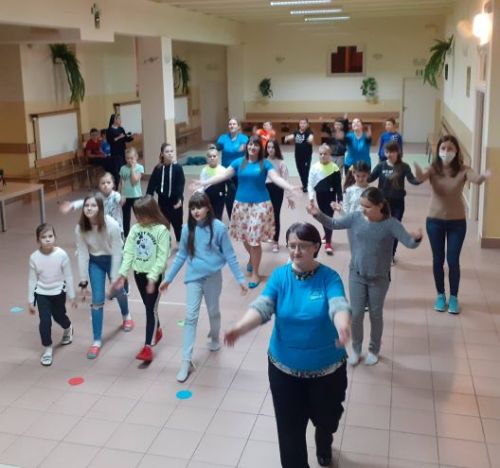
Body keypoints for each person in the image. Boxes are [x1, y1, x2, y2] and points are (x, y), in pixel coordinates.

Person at [224, 222, 351, 468]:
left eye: (302, 246)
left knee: (328, 419)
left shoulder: (329, 277)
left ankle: (324, 438)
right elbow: (263, 307)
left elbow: (338, 305)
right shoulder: (280, 277)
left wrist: (343, 325)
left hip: (328, 372)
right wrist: (240, 328)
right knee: (290, 433)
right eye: (292, 245)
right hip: (284, 371)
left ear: (316, 247)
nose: (296, 251)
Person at [308, 187, 422, 366]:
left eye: (367, 206)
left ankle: (374, 349)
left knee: (375, 315)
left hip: (379, 279)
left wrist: (417, 238)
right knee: (357, 314)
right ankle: (356, 349)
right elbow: (334, 223)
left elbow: (409, 243)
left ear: (380, 206)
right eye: (361, 205)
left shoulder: (391, 224)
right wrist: (318, 214)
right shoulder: (355, 218)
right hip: (357, 275)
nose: (363, 209)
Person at [160, 192, 247, 381]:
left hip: (213, 278)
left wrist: (240, 279)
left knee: (213, 311)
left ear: (208, 207)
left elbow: (230, 255)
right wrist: (168, 278)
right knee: (190, 317)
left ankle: (215, 336)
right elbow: (181, 255)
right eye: (192, 208)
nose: (196, 211)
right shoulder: (187, 229)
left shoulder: (219, 228)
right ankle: (186, 361)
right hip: (193, 278)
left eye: (199, 207)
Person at [191, 136, 299, 288]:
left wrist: (289, 186)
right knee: (245, 238)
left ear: (260, 148)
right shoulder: (238, 162)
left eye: (256, 145)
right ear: (247, 146)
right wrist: (204, 182)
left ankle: (255, 272)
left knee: (254, 240)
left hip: (260, 205)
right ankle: (252, 258)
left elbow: (275, 178)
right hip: (241, 205)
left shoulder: (265, 163)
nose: (252, 147)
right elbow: (223, 175)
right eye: (250, 145)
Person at [415, 134, 491, 314]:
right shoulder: (433, 169)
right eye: (443, 148)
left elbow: (476, 179)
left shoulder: (464, 170)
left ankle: (454, 297)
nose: (446, 151)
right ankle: (440, 295)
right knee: (438, 260)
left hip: (457, 223)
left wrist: (484, 176)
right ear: (438, 150)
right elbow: (421, 177)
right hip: (434, 221)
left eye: (450, 148)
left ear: (456, 151)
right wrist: (418, 170)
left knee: (453, 260)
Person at [110, 196, 170, 363]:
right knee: (149, 307)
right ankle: (157, 329)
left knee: (150, 309)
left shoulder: (161, 230)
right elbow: (128, 252)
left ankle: (147, 347)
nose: (140, 219)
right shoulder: (135, 229)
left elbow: (162, 257)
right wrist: (123, 274)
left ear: (152, 212)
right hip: (139, 274)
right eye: (137, 215)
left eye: (143, 215)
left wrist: (152, 278)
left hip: (155, 276)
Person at [75, 193, 131, 359]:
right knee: (97, 300)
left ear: (100, 208)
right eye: (86, 205)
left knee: (119, 291)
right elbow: (82, 254)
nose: (89, 208)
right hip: (96, 262)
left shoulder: (111, 225)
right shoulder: (80, 228)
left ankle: (126, 315)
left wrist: (114, 278)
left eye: (93, 205)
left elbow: (118, 252)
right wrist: (83, 282)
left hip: (113, 258)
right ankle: (96, 341)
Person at [28, 223, 76, 366]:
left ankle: (68, 327)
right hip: (42, 293)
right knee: (45, 321)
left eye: (50, 236)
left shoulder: (61, 255)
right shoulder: (34, 257)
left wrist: (72, 296)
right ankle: (48, 348)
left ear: (55, 237)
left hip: (58, 292)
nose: (48, 239)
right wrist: (30, 300)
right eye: (44, 237)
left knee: (59, 316)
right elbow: (32, 280)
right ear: (38, 240)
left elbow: (68, 276)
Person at [368, 141, 421, 262]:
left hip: (398, 203)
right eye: (387, 152)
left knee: (395, 229)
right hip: (382, 203)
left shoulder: (404, 166)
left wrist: (422, 178)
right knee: (381, 228)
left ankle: (391, 254)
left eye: (392, 151)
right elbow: (370, 178)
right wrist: (359, 174)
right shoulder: (381, 166)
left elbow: (412, 180)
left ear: (398, 152)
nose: (389, 154)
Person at [146, 142, 185, 244]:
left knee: (178, 225)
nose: (170, 153)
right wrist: (148, 197)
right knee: (163, 225)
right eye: (167, 151)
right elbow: (152, 184)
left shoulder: (178, 168)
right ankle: (165, 244)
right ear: (162, 154)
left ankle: (180, 243)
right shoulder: (158, 168)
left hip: (175, 202)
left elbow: (180, 185)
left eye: (171, 151)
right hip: (163, 202)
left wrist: (180, 199)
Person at [307, 143, 343, 255]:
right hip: (320, 197)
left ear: (329, 155)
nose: (323, 156)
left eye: (325, 154)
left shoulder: (334, 168)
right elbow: (310, 184)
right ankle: (327, 234)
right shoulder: (314, 167)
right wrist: (311, 197)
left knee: (329, 218)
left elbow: (338, 186)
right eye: (321, 154)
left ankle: (328, 243)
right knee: (323, 218)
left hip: (331, 197)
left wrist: (339, 199)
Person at [265, 139, 295, 252]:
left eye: (273, 147)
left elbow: (285, 180)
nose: (270, 150)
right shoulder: (263, 162)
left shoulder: (281, 163)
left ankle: (275, 241)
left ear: (276, 149)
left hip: (277, 190)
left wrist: (289, 197)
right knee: (266, 215)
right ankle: (269, 235)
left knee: (275, 215)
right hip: (265, 190)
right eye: (268, 147)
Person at [216, 118, 249, 219]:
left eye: (234, 124)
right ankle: (232, 218)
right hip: (227, 172)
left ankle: (242, 216)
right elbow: (217, 148)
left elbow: (244, 149)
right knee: (230, 196)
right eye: (230, 124)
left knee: (241, 194)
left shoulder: (243, 138)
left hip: (240, 171)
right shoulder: (223, 138)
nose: (232, 126)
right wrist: (213, 148)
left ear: (238, 126)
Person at [119, 147, 144, 238]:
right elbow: (121, 183)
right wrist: (121, 195)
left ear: (136, 157)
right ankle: (126, 236)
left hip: (136, 196)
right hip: (126, 197)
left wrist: (133, 169)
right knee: (126, 217)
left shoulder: (139, 168)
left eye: (131, 158)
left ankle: (141, 234)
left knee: (139, 216)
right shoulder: (123, 168)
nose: (129, 160)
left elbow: (134, 181)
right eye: (127, 158)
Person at [284, 118, 314, 192]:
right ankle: (304, 184)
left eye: (304, 123)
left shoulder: (309, 132)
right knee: (300, 170)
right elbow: (292, 136)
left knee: (305, 171)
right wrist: (287, 138)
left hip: (307, 156)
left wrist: (310, 139)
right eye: (301, 123)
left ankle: (306, 186)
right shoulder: (296, 132)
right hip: (298, 155)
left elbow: (311, 137)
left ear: (307, 124)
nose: (302, 125)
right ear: (299, 124)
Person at [199, 144, 226, 220]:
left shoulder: (223, 169)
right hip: (208, 196)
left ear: (218, 157)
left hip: (219, 197)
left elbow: (226, 184)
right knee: (208, 216)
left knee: (218, 216)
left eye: (214, 156)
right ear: (207, 158)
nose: (212, 158)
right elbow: (202, 185)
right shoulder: (204, 170)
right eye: (210, 156)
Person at [106, 113, 133, 185]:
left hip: (122, 151)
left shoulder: (121, 129)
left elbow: (124, 139)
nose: (120, 120)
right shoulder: (109, 130)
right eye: (119, 119)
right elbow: (110, 141)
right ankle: (118, 185)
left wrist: (130, 137)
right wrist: (119, 137)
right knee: (118, 169)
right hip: (115, 153)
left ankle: (126, 184)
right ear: (114, 120)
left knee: (124, 167)